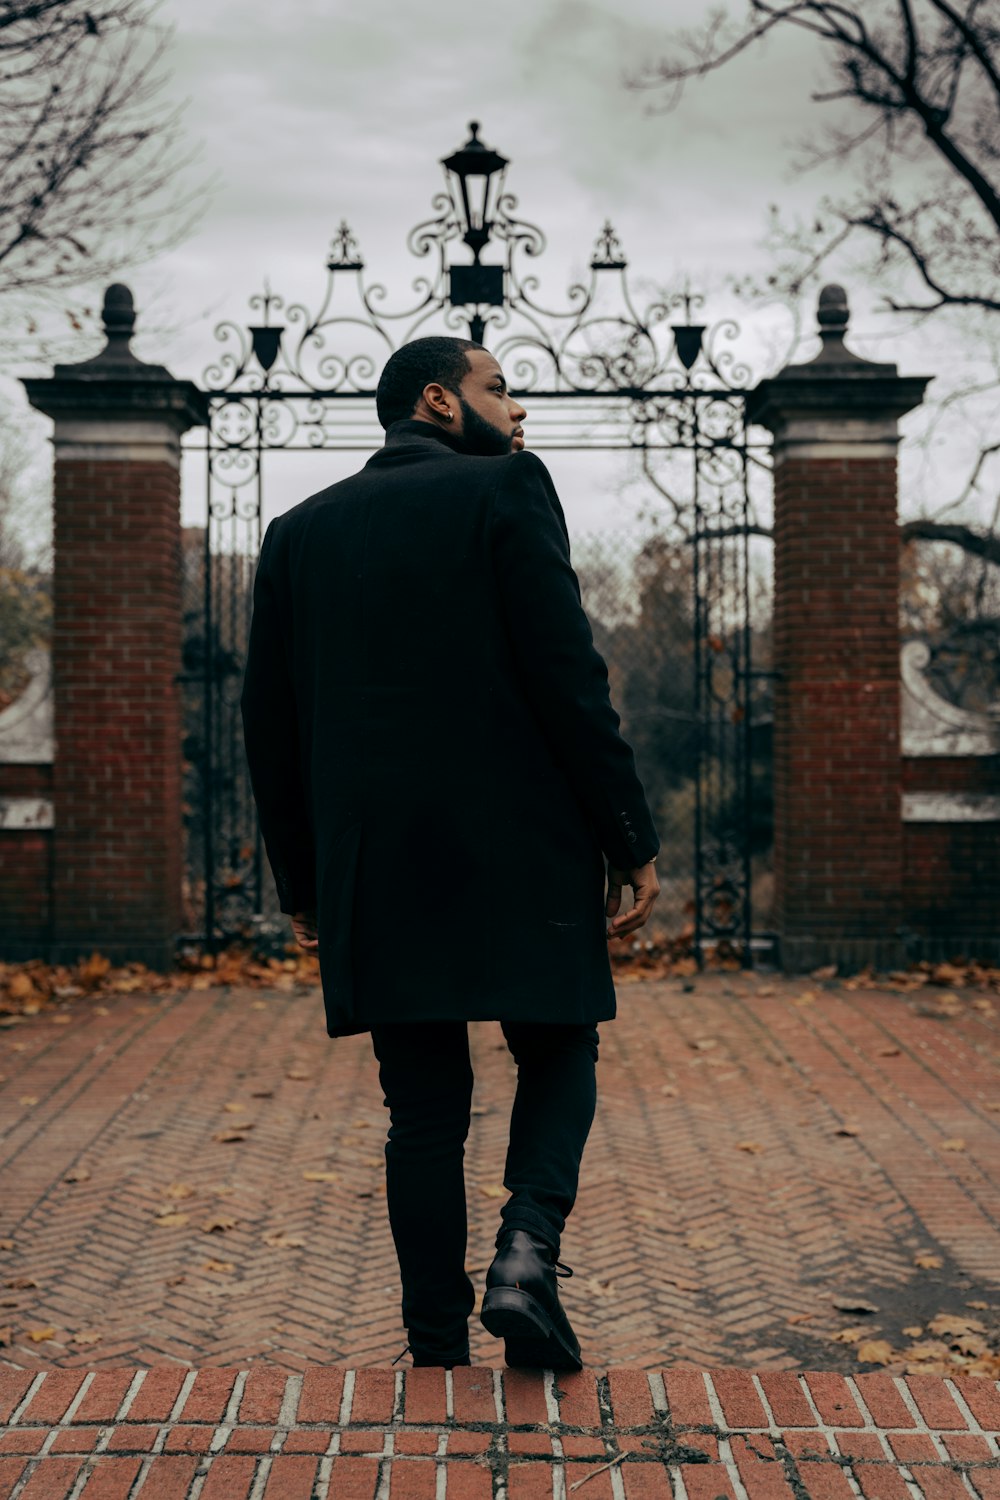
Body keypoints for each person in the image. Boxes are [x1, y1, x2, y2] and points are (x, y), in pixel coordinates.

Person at [240, 335, 660, 1372]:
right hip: (521, 841)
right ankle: (527, 1256)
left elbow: (271, 728)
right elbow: (569, 678)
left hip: (376, 860)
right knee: (558, 1045)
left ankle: (433, 1347)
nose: (518, 413)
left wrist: (303, 881)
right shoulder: (508, 491)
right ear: (438, 400)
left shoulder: (297, 532)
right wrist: (627, 835)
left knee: (421, 1107)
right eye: (500, 387)